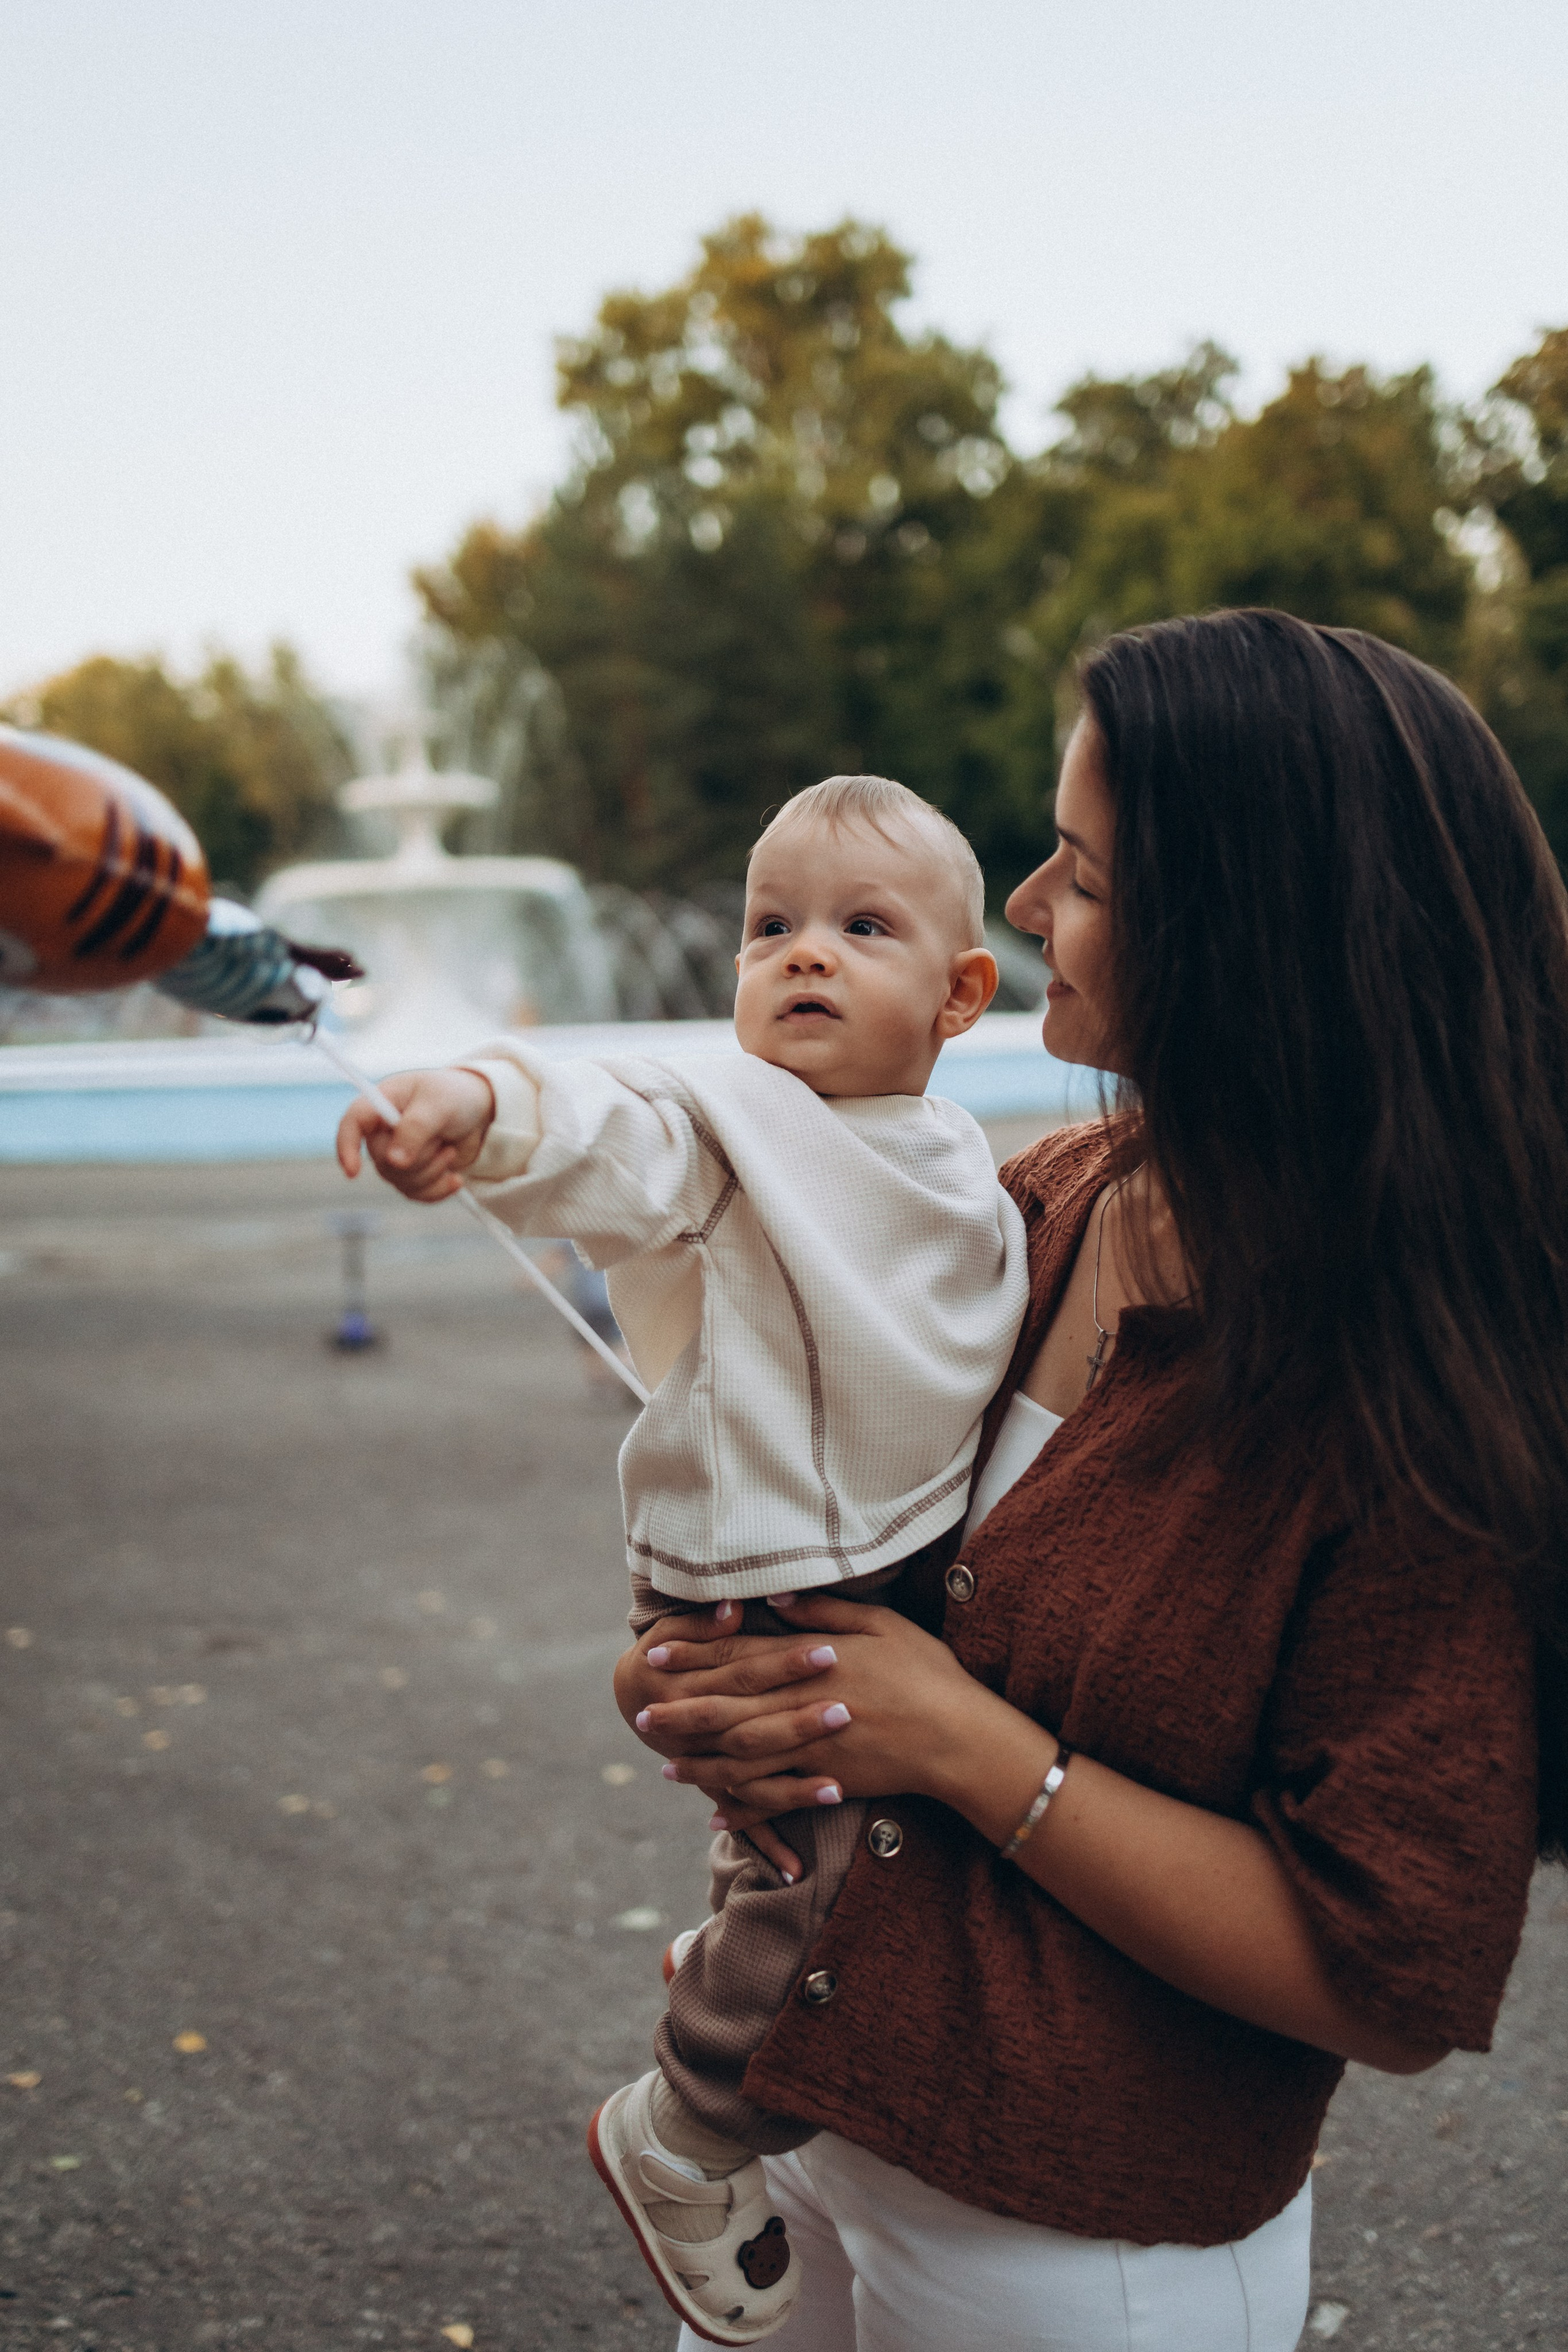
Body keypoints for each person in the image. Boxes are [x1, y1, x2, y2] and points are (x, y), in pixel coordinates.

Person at [618, 609, 1568, 2352]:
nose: (1034, 911)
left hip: (1076, 2255)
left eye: (1084, 877)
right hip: (812, 2129)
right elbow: (838, 1550)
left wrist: (964, 1747)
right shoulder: (1032, 1207)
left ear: (1253, 944)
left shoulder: (1409, 1413)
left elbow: (1389, 1971)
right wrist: (711, 1677)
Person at [335, 774, 1030, 2343]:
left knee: (829, 1845)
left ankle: (746, 1948)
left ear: (960, 991)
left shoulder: (943, 1151)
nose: (800, 957)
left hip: (881, 1563)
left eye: (860, 929)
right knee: (832, 1861)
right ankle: (691, 2128)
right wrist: (477, 1107)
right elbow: (611, 1128)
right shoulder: (732, 1133)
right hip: (761, 1569)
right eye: (767, 928)